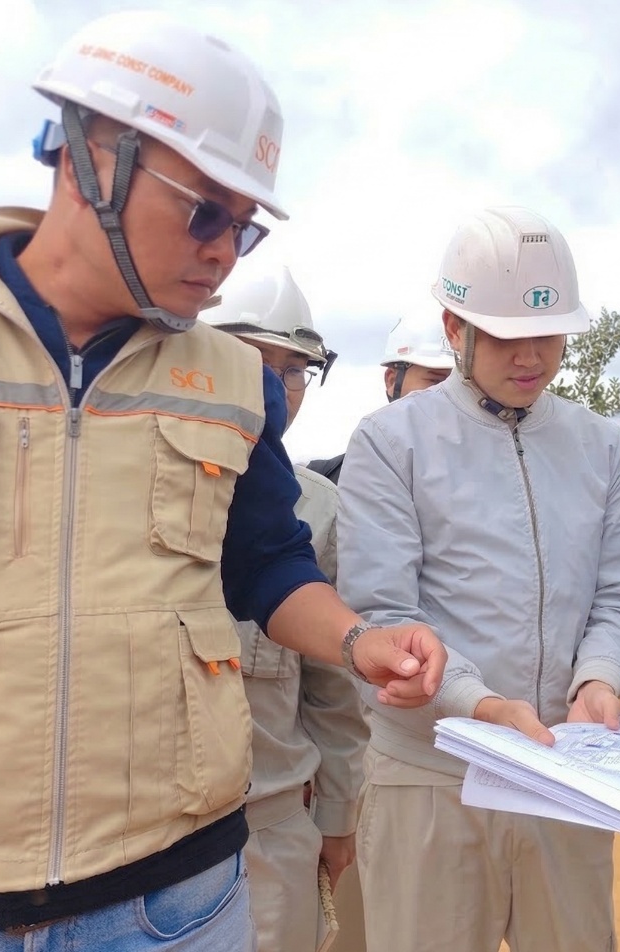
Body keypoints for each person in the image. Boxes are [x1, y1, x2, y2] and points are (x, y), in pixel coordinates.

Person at [0, 12, 443, 950]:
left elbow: (268, 564)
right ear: (89, 161)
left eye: (243, 229)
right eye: (204, 211)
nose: (223, 252)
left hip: (175, 901)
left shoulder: (235, 383)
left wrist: (358, 638)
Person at [336, 206, 620, 952]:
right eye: (505, 336)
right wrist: (480, 705)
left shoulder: (601, 446)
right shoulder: (392, 441)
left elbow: (616, 595)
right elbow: (384, 611)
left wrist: (597, 680)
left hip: (562, 775)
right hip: (432, 775)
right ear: (455, 327)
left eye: (549, 334)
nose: (530, 357)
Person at [205, 267, 369, 952]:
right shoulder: (133, 483)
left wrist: (337, 816)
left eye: (294, 369)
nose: (275, 387)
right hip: (142, 836)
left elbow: (332, 689)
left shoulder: (321, 508)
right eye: (252, 361)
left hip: (270, 828)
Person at [306, 315, 453, 483]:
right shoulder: (322, 483)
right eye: (436, 381)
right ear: (392, 380)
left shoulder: (475, 478)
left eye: (461, 385)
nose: (450, 396)